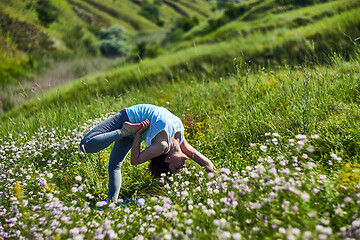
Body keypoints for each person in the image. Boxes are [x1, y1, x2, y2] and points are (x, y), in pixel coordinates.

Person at [80, 104, 214, 202]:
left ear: (167, 159)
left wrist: (138, 135)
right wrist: (219, 183)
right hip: (132, 119)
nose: (183, 167)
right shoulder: (181, 143)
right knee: (88, 147)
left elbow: (135, 160)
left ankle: (111, 204)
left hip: (134, 128)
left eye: (177, 167)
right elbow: (206, 163)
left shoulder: (162, 146)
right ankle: (122, 132)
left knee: (91, 151)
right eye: (179, 168)